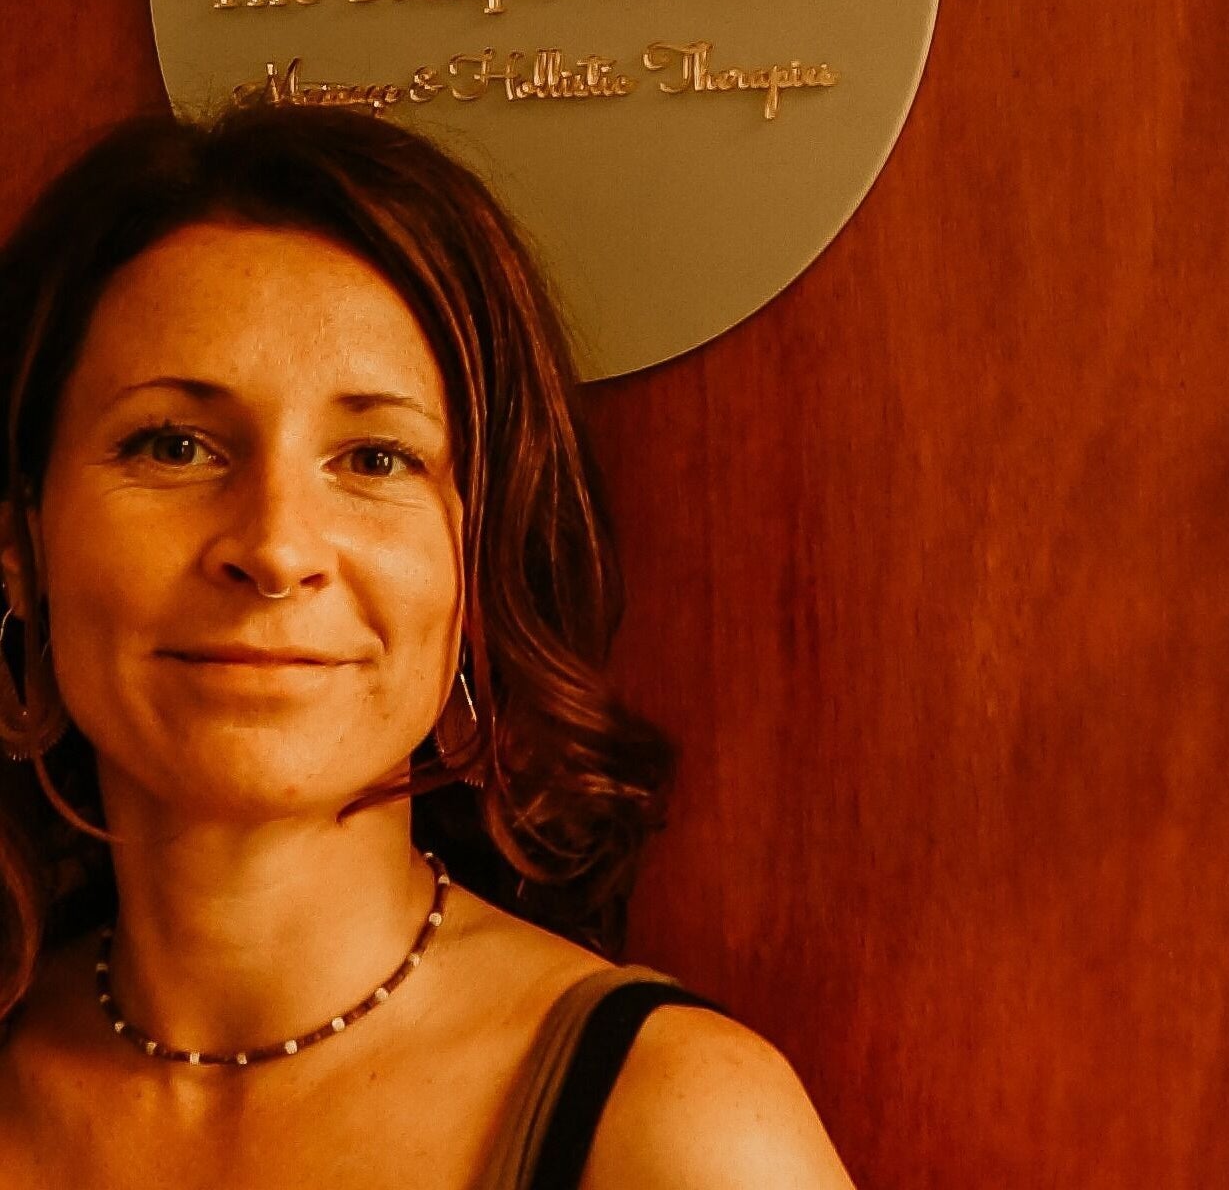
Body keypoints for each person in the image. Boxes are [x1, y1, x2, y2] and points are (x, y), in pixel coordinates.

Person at [0, 105, 855, 1188]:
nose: (273, 547)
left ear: (476, 562)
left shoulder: (674, 1126)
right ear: (20, 545)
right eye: (175, 444)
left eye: (374, 458)